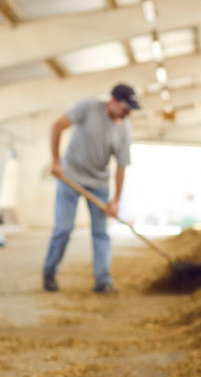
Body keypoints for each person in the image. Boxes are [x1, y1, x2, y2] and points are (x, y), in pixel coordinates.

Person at [42, 83, 140, 293]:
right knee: (64, 229)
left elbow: (121, 167)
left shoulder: (124, 129)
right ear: (113, 101)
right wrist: (56, 161)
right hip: (71, 177)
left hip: (99, 184)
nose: (127, 114)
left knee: (101, 233)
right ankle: (49, 273)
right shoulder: (88, 107)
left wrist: (115, 201)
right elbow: (57, 125)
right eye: (125, 108)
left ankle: (103, 281)